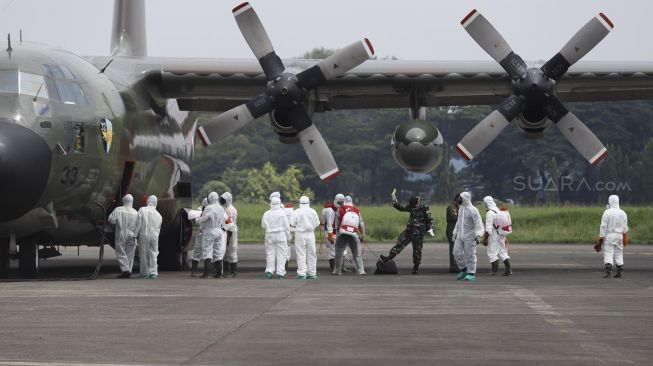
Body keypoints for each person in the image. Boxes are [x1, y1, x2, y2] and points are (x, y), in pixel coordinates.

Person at [380, 190, 435, 274]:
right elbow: (401, 208)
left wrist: (431, 229)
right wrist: (394, 199)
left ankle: (416, 267)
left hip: (418, 233)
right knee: (400, 243)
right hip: (409, 231)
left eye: (416, 204)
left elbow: (430, 219)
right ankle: (389, 257)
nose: (415, 206)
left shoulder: (424, 208)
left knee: (417, 251)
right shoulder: (412, 207)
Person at [452, 191, 484, 281]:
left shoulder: (473, 210)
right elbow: (458, 222)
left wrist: (478, 235)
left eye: (460, 198)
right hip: (460, 235)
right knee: (456, 252)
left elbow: (479, 224)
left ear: (465, 199)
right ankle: (464, 270)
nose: (458, 200)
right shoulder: (461, 209)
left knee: (470, 254)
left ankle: (471, 272)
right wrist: (455, 233)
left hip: (470, 236)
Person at [597, 195, 629, 278]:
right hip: (619, 236)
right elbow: (625, 227)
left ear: (610, 201)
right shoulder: (623, 213)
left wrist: (601, 237)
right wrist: (625, 238)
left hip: (609, 236)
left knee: (608, 253)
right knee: (619, 253)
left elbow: (603, 226)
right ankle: (619, 272)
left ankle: (608, 272)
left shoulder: (607, 212)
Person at [333, 196, 366, 276]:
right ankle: (361, 270)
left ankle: (337, 271)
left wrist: (336, 234)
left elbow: (336, 223)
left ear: (344, 202)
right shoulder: (357, 211)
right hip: (353, 234)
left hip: (343, 233)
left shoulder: (340, 209)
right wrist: (363, 235)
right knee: (357, 252)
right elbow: (361, 224)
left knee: (339, 252)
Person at [108, 194, 138, 278]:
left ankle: (125, 270)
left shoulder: (118, 210)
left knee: (120, 251)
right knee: (130, 253)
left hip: (121, 233)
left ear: (123, 201)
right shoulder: (135, 212)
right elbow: (138, 225)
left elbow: (111, 220)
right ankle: (128, 271)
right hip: (132, 234)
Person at [198, 192, 227, 278]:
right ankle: (219, 273)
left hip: (209, 231)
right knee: (218, 251)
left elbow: (204, 218)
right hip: (219, 230)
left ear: (210, 198)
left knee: (207, 251)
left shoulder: (209, 208)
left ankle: (207, 273)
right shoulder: (221, 208)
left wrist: (197, 220)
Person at [262, 196, 291, 279]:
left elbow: (263, 225)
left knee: (270, 253)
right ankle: (280, 273)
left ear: (271, 203)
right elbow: (286, 226)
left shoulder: (266, 213)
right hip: (281, 234)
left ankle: (269, 271)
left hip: (269, 234)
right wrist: (288, 237)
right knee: (282, 254)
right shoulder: (282, 213)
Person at [291, 196, 321, 279]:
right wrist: (312, 227)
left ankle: (301, 273)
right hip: (310, 234)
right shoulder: (313, 211)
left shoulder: (297, 211)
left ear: (299, 202)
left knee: (301, 253)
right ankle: (312, 273)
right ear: (309, 202)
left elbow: (292, 223)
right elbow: (317, 223)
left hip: (300, 234)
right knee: (312, 253)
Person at [134, 195, 163, 279]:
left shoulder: (142, 210)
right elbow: (158, 229)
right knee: (154, 253)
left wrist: (135, 235)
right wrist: (156, 237)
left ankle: (144, 273)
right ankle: (153, 273)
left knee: (143, 253)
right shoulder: (159, 215)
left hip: (144, 234)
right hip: (154, 236)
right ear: (156, 203)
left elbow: (138, 223)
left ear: (148, 201)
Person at [482, 196, 511, 276]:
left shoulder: (489, 213)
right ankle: (508, 270)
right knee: (503, 252)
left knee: (492, 252)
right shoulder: (497, 209)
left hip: (493, 235)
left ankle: (494, 271)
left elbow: (488, 228)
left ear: (487, 203)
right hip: (501, 234)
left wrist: (485, 238)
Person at [221, 192, 239, 277]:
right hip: (226, 231)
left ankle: (233, 271)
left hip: (230, 232)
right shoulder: (226, 208)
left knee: (231, 251)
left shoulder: (231, 209)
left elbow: (229, 223)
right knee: (226, 251)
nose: (222, 201)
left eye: (224, 199)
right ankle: (226, 270)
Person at [191, 198, 208, 277]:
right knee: (197, 251)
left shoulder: (213, 210)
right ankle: (194, 271)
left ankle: (209, 271)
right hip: (201, 233)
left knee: (209, 252)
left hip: (208, 234)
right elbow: (195, 220)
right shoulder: (199, 210)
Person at [446, 194, 461, 273]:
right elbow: (454, 217)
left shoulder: (457, 207)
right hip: (452, 228)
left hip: (456, 229)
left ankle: (455, 265)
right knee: (453, 248)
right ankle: (453, 266)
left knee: (457, 248)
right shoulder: (451, 207)